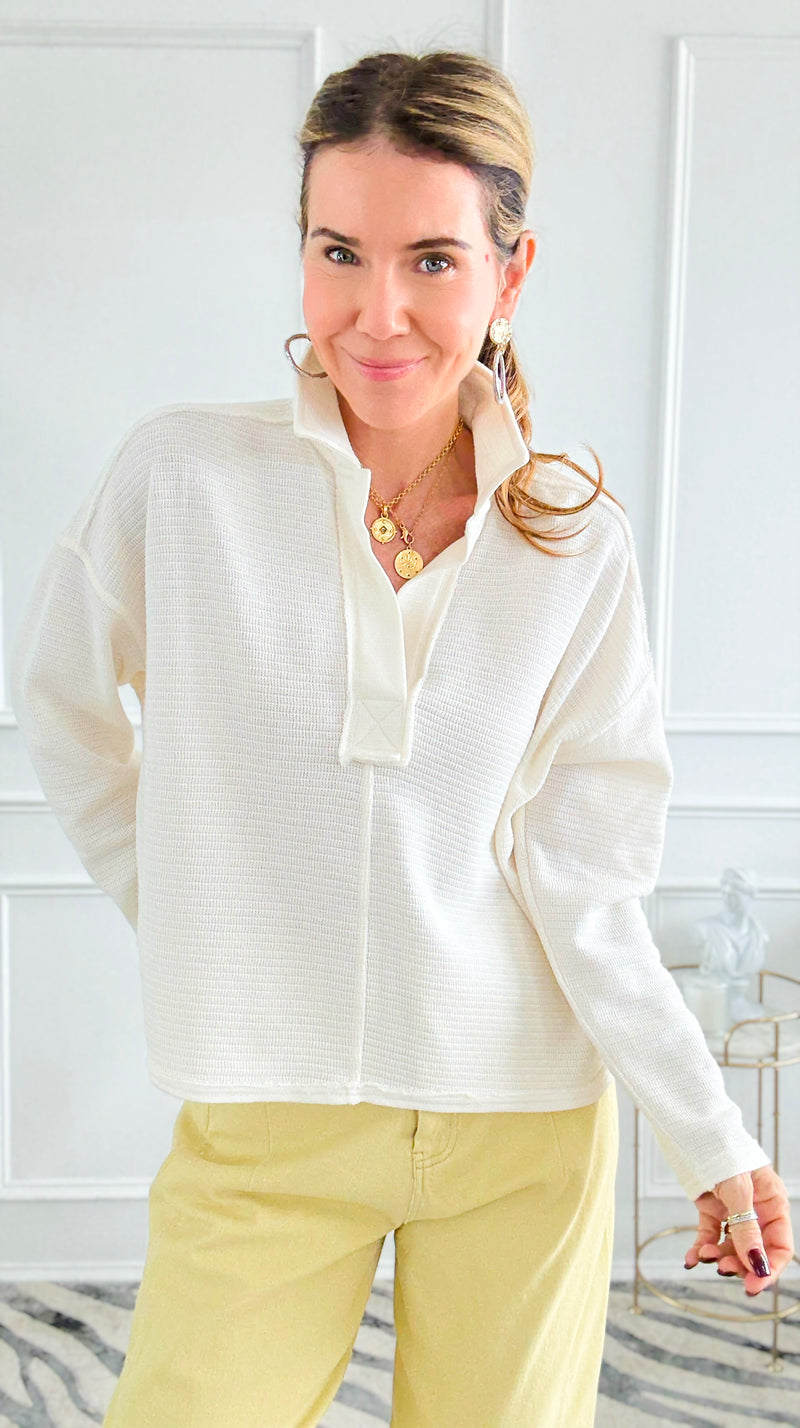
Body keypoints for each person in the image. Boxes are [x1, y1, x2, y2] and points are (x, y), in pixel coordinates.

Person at [10, 46, 794, 1428]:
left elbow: (586, 882)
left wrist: (710, 1138)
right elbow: (68, 718)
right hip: (266, 1122)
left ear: (512, 271)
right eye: (339, 253)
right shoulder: (182, 478)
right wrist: (193, 906)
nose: (377, 314)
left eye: (433, 259)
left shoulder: (574, 541)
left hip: (521, 1130)